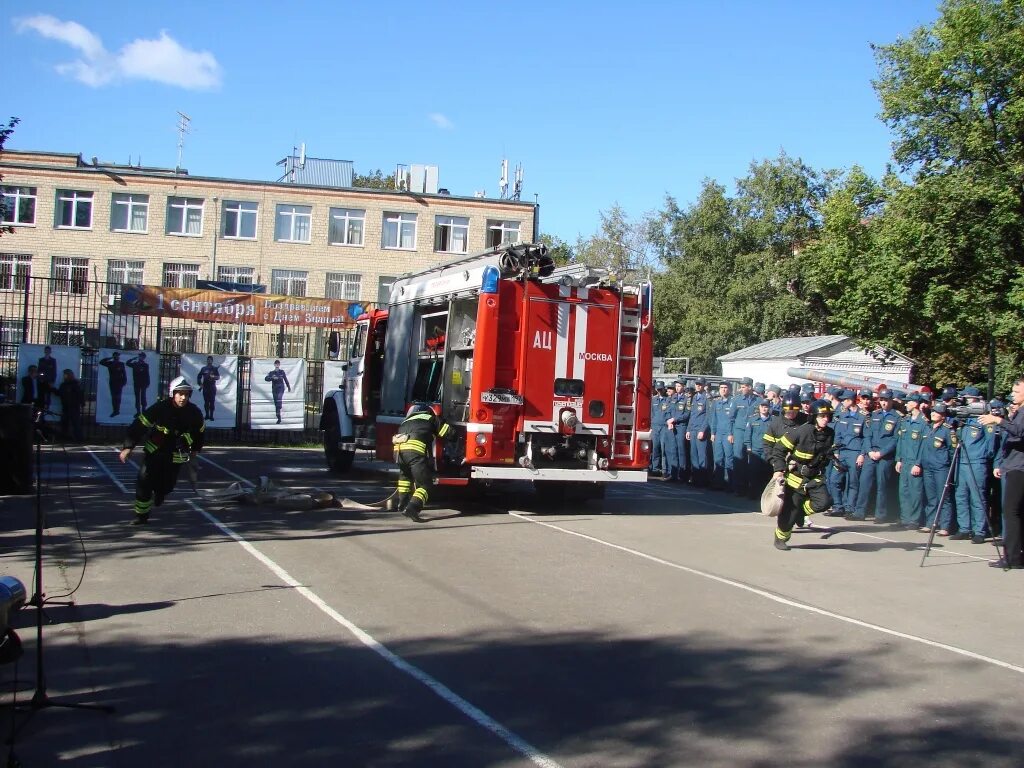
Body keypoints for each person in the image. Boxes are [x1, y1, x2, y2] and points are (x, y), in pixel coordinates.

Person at [118, 376, 205, 525]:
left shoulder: (194, 413)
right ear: (173, 393)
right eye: (180, 394)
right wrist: (128, 447)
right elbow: (140, 425)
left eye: (186, 394)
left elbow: (200, 432)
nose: (183, 398)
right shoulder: (160, 408)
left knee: (167, 485)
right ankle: (141, 516)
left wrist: (195, 450)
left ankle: (160, 493)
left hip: (175, 455)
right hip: (155, 451)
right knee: (144, 481)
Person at [769, 398, 835, 551]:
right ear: (813, 416)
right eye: (822, 416)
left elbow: (824, 453)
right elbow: (779, 450)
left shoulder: (830, 433)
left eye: (828, 416)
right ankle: (780, 538)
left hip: (815, 476)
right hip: (795, 478)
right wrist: (778, 469)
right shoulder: (800, 431)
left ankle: (801, 512)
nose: (826, 419)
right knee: (789, 513)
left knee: (824, 502)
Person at [978, 378, 1024, 569]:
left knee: (1011, 512)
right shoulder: (1018, 411)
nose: (1012, 395)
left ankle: (1012, 557)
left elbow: (1019, 432)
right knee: (1016, 512)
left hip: (1019, 468)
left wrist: (999, 420)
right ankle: (1016, 554)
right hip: (1013, 465)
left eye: (1016, 391)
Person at [393, 402, 453, 522]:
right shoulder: (431, 418)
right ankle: (413, 508)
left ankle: (402, 504)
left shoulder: (406, 421)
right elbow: (447, 432)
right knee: (425, 484)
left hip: (398, 453)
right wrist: (458, 436)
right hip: (414, 453)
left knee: (405, 478)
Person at [853, 388, 901, 524]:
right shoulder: (874, 415)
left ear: (891, 401)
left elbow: (895, 439)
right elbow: (867, 435)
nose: (884, 403)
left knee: (882, 485)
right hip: (871, 453)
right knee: (864, 483)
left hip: (885, 456)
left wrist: (881, 453)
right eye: (882, 400)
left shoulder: (896, 417)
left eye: (886, 400)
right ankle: (859, 511)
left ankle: (881, 514)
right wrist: (869, 451)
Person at [894, 393, 928, 530]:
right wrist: (898, 459)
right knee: (904, 491)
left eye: (908, 402)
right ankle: (905, 518)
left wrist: (918, 463)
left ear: (915, 403)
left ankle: (914, 520)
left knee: (915, 492)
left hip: (914, 461)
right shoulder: (905, 420)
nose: (906, 404)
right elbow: (900, 442)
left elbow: (923, 447)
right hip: (905, 461)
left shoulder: (923, 422)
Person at [922, 401, 957, 536]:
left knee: (943, 497)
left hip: (941, 468)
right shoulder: (928, 427)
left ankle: (945, 526)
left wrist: (949, 467)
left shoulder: (948, 430)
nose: (933, 414)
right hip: (928, 467)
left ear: (943, 415)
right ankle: (930, 523)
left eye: (937, 412)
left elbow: (952, 451)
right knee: (931, 497)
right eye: (933, 411)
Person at [731, 377, 758, 496]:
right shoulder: (737, 400)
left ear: (750, 387)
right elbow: (731, 418)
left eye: (743, 387)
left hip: (753, 433)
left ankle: (750, 487)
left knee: (751, 460)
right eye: (741, 387)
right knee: (738, 458)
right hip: (739, 432)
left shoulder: (758, 401)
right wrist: (730, 433)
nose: (741, 389)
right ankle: (738, 487)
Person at [743, 398, 773, 499]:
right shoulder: (752, 419)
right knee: (753, 472)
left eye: (766, 407)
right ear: (759, 407)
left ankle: (763, 494)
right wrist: (748, 447)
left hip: (767, 451)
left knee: (765, 472)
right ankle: (752, 493)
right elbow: (748, 435)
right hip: (755, 450)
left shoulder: (773, 421)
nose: (764, 408)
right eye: (762, 406)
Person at [709, 381, 735, 491]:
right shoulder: (716, 402)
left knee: (729, 459)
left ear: (729, 389)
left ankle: (728, 483)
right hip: (718, 434)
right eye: (721, 388)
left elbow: (733, 420)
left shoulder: (733, 402)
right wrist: (712, 433)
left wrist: (731, 434)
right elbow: (713, 419)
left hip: (728, 434)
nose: (723, 389)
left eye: (725, 388)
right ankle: (718, 483)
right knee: (718, 458)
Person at [686, 377, 711, 487]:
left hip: (701, 430)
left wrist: (702, 430)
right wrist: (688, 429)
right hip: (693, 429)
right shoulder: (695, 397)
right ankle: (695, 478)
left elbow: (708, 416)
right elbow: (692, 415)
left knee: (702, 456)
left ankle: (702, 480)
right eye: (697, 384)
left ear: (704, 385)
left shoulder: (707, 398)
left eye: (700, 384)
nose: (698, 386)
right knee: (693, 455)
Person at [56, 368, 84, 441]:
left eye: (66, 374)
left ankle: (78, 437)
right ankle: (64, 437)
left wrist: (82, 402)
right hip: (66, 406)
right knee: (64, 422)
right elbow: (59, 393)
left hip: (74, 406)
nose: (64, 376)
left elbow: (80, 394)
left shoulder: (75, 384)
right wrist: (50, 389)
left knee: (75, 422)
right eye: (64, 375)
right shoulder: (63, 385)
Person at [99, 351, 128, 417]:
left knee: (118, 397)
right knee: (114, 397)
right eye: (116, 356)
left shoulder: (121, 364)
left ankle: (117, 410)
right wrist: (111, 358)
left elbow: (124, 373)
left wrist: (124, 381)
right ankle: (115, 411)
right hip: (112, 382)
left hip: (119, 382)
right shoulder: (110, 363)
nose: (117, 357)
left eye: (118, 356)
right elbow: (101, 362)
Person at [264, 359, 292, 424]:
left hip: (281, 388)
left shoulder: (282, 372)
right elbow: (266, 378)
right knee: (276, 403)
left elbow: (285, 379)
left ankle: (279, 408)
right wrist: (272, 378)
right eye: (276, 364)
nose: (277, 365)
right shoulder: (271, 372)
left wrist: (288, 387)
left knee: (279, 399)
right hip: (274, 389)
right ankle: (278, 417)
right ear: (274, 365)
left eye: (278, 364)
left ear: (279, 365)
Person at [649, 381, 667, 476]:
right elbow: (651, 414)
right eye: (658, 389)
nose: (659, 391)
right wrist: (651, 425)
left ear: (664, 389)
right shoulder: (653, 400)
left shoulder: (667, 400)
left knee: (664, 448)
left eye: (661, 389)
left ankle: (664, 469)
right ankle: (655, 468)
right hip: (655, 426)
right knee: (655, 448)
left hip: (664, 427)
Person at [126, 352, 151, 416]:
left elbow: (147, 374)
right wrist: (133, 358)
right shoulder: (135, 364)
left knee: (143, 397)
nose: (141, 357)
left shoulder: (145, 365)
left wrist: (148, 382)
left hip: (143, 383)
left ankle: (144, 411)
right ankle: (138, 412)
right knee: (137, 398)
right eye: (140, 356)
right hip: (136, 383)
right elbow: (127, 363)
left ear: (144, 358)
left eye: (142, 356)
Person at [198, 355, 221, 421]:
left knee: (212, 402)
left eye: (210, 360)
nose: (209, 361)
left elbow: (218, 377)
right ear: (207, 360)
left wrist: (213, 376)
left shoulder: (214, 368)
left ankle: (211, 416)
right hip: (205, 387)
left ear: (212, 361)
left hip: (212, 387)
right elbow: (199, 376)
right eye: (208, 359)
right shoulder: (203, 368)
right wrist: (200, 384)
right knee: (206, 402)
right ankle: (207, 415)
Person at [37, 345, 58, 410]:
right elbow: (39, 370)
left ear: (50, 352)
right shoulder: (41, 360)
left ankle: (47, 408)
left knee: (48, 395)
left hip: (49, 381)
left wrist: (52, 381)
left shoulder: (53, 360)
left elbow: (54, 371)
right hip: (42, 381)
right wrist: (40, 378)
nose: (47, 352)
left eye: (48, 351)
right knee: (41, 395)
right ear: (44, 351)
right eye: (46, 350)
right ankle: (41, 408)